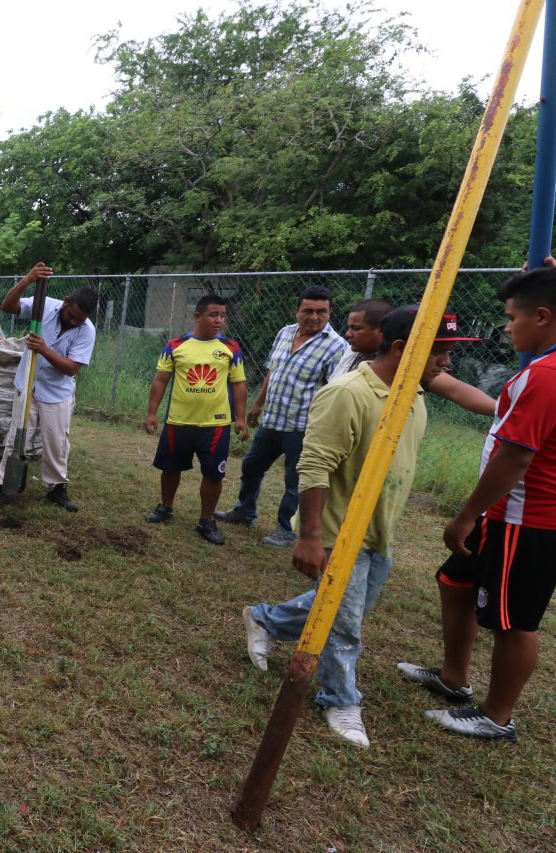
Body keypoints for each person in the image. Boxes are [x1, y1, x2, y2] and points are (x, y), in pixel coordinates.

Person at [241, 306, 475, 747]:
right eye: (439, 352)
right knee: (346, 625)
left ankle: (266, 620)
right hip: (338, 530)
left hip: (378, 530)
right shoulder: (346, 393)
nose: (447, 362)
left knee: (348, 608)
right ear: (402, 348)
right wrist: (311, 536)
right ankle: (340, 698)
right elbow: (313, 466)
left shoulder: (412, 394)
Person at [399, 267, 556, 742]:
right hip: (505, 511)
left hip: (526, 518)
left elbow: (514, 458)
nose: (507, 327)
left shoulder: (545, 375)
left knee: (514, 622)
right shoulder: (545, 366)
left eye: (511, 317)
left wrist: (466, 515)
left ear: (542, 317)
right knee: (455, 580)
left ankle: (496, 716)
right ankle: (454, 678)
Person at [216, 286, 349, 547]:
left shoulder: (337, 347)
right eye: (308, 311)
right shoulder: (285, 332)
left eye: (321, 311)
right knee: (251, 466)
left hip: (304, 427)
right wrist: (258, 404)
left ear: (330, 312)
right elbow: (272, 371)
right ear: (297, 311)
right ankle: (245, 511)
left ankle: (286, 529)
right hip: (273, 419)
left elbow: (336, 391)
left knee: (295, 481)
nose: (314, 317)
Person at [0, 262, 97, 512]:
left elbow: (71, 368)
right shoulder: (44, 305)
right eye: (71, 315)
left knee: (57, 443)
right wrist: (28, 279)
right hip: (27, 386)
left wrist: (44, 349)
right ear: (66, 301)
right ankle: (4, 486)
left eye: (79, 319)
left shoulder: (87, 331)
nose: (73, 321)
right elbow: (8, 307)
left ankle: (57, 488)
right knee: (16, 438)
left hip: (56, 394)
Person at [143, 294, 249, 545]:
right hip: (178, 422)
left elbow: (239, 383)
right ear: (198, 317)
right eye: (214, 315)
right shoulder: (176, 345)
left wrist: (241, 418)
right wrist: (152, 413)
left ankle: (206, 520)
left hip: (215, 425)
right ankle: (165, 507)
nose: (219, 320)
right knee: (170, 468)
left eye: (222, 315)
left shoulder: (231, 348)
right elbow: (160, 379)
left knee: (214, 474)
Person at [332, 297, 495, 415]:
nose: (348, 334)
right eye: (350, 327)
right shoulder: (353, 354)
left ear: (381, 330)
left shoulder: (409, 366)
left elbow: (457, 390)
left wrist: (503, 412)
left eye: (356, 328)